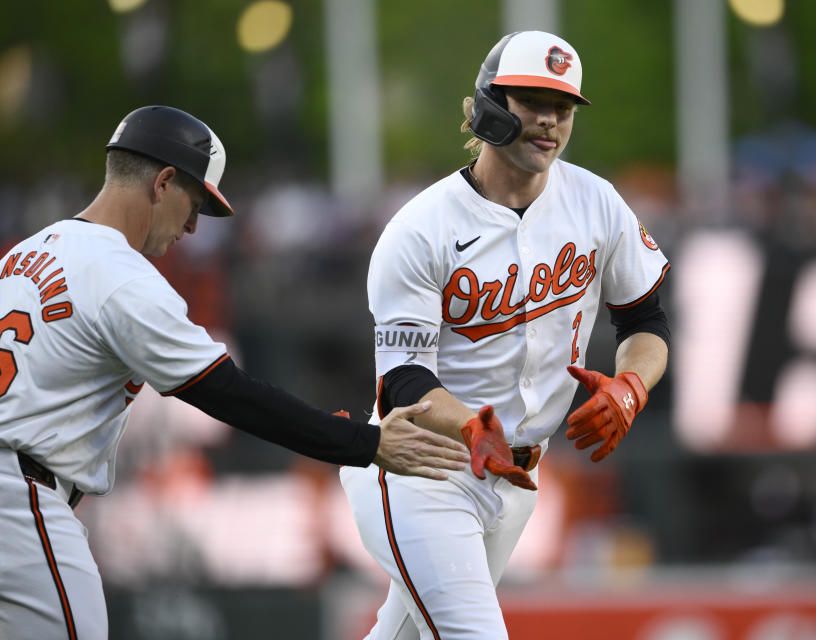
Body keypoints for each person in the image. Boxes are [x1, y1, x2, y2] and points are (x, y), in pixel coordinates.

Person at [0, 105, 470, 639]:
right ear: (164, 182)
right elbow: (231, 395)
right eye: (195, 203)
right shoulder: (121, 277)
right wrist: (366, 443)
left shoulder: (26, 253)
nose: (194, 226)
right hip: (21, 501)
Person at [340, 31, 671, 639]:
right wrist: (472, 427)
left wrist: (630, 387)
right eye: (530, 101)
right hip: (424, 465)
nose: (549, 120)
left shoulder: (597, 203)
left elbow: (646, 322)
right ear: (490, 106)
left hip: (519, 478)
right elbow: (403, 381)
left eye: (563, 107)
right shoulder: (422, 227)